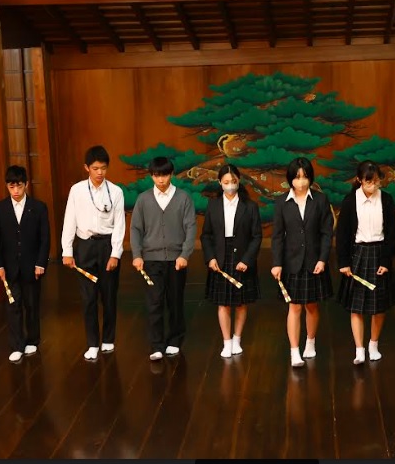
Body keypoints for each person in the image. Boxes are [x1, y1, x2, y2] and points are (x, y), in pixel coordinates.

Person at [61, 145, 126, 362]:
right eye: (96, 168)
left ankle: (108, 339)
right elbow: (69, 220)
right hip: (85, 246)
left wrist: (115, 254)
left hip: (107, 245)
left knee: (109, 296)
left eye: (104, 168)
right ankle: (91, 343)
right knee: (88, 298)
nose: (100, 172)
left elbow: (120, 225)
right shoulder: (77, 190)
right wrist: (67, 250)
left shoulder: (115, 192)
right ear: (86, 168)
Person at [130, 156, 197, 361]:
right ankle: (157, 345)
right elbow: (135, 229)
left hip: (176, 260)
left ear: (171, 174)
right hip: (151, 260)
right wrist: (137, 255)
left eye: (165, 175)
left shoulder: (183, 198)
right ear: (151, 176)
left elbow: (190, 227)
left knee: (175, 301)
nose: (161, 180)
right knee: (154, 303)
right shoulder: (143, 199)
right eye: (156, 175)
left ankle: (175, 341)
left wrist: (185, 254)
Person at [271, 157, 334, 368]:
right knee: (294, 307)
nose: (301, 182)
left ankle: (310, 342)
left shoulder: (320, 200)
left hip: (314, 261)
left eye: (305, 177)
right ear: (290, 179)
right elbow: (277, 236)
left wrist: (323, 259)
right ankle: (294, 351)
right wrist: (277, 263)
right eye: (297, 177)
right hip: (291, 262)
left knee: (312, 306)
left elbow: (326, 233)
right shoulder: (281, 202)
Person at [335, 160, 395, 365]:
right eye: (369, 181)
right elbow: (342, 234)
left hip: (379, 252)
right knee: (357, 306)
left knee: (379, 306)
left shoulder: (386, 200)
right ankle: (359, 348)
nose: (373, 185)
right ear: (359, 180)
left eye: (376, 181)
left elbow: (392, 233)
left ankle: (373, 344)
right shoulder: (349, 201)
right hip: (358, 254)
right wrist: (343, 262)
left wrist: (386, 260)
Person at [200, 164, 262, 358]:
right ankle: (226, 341)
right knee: (223, 303)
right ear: (220, 183)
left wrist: (247, 260)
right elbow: (206, 235)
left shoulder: (250, 206)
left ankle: (237, 339)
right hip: (220, 256)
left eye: (233, 181)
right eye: (226, 182)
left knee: (241, 302)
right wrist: (210, 257)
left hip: (242, 256)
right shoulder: (213, 205)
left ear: (239, 181)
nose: (230, 185)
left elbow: (257, 236)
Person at [0, 165, 51, 363]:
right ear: (7, 186)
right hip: (9, 268)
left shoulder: (39, 207)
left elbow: (45, 239)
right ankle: (17, 345)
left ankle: (32, 340)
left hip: (32, 266)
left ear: (26, 184)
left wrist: (41, 263)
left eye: (19, 186)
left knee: (31, 304)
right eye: (11, 187)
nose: (16, 191)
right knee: (13, 306)